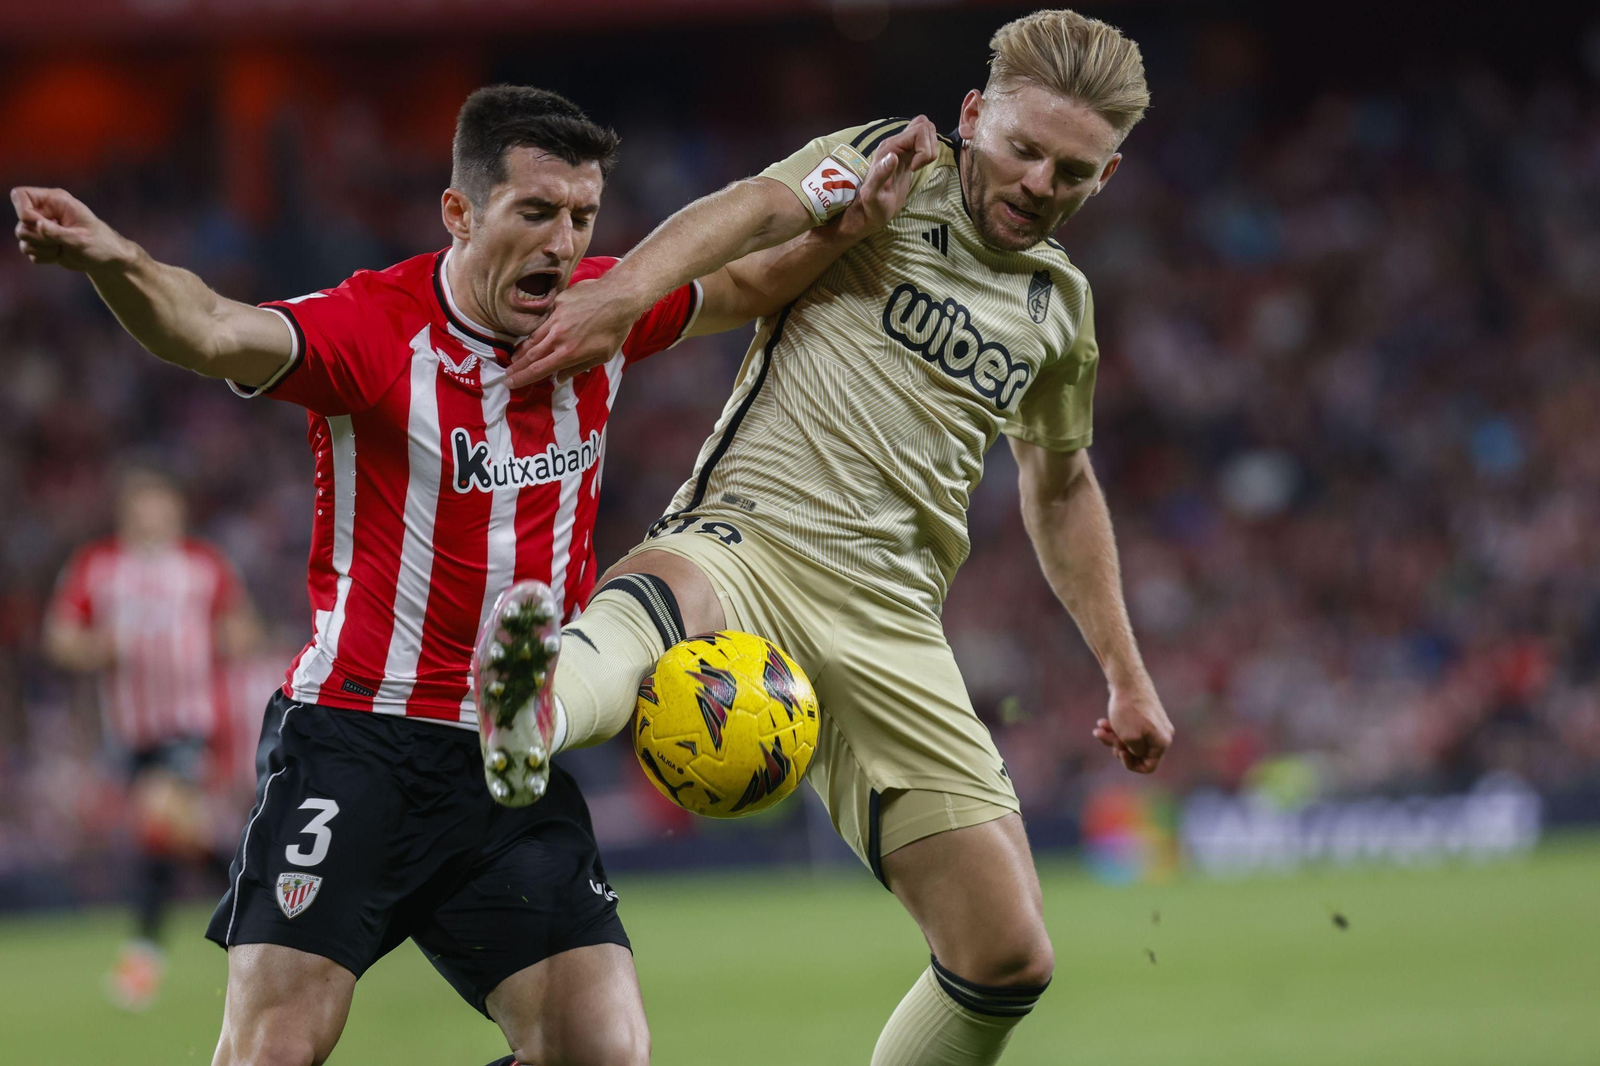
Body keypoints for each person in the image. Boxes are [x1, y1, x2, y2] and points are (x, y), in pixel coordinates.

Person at [12, 85, 933, 1066]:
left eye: (581, 216)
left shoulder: (605, 313)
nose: (564, 242)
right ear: (460, 211)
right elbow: (208, 329)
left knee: (602, 1050)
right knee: (275, 1048)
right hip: (357, 742)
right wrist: (119, 264)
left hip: (513, 754)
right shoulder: (375, 329)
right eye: (535, 211)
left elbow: (749, 285)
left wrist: (850, 227)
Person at [475, 10, 1175, 1065]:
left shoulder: (1057, 307)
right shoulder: (893, 162)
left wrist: (1124, 671)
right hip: (754, 534)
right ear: (974, 115)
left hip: (893, 621)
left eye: (1070, 171)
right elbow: (755, 205)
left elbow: (1061, 482)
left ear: (1106, 175)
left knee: (1007, 955)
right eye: (1023, 149)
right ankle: (533, 701)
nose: (1038, 182)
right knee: (658, 603)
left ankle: (547, 693)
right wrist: (622, 292)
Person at [45, 466, 260, 1011]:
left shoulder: (202, 566)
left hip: (190, 723)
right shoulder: (98, 566)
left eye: (161, 506)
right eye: (143, 507)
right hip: (130, 730)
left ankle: (143, 959)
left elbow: (242, 629)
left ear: (177, 511)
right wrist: (95, 649)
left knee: (157, 819)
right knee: (178, 835)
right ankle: (259, 901)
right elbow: (61, 637)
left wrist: (232, 639)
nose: (153, 517)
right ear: (127, 513)